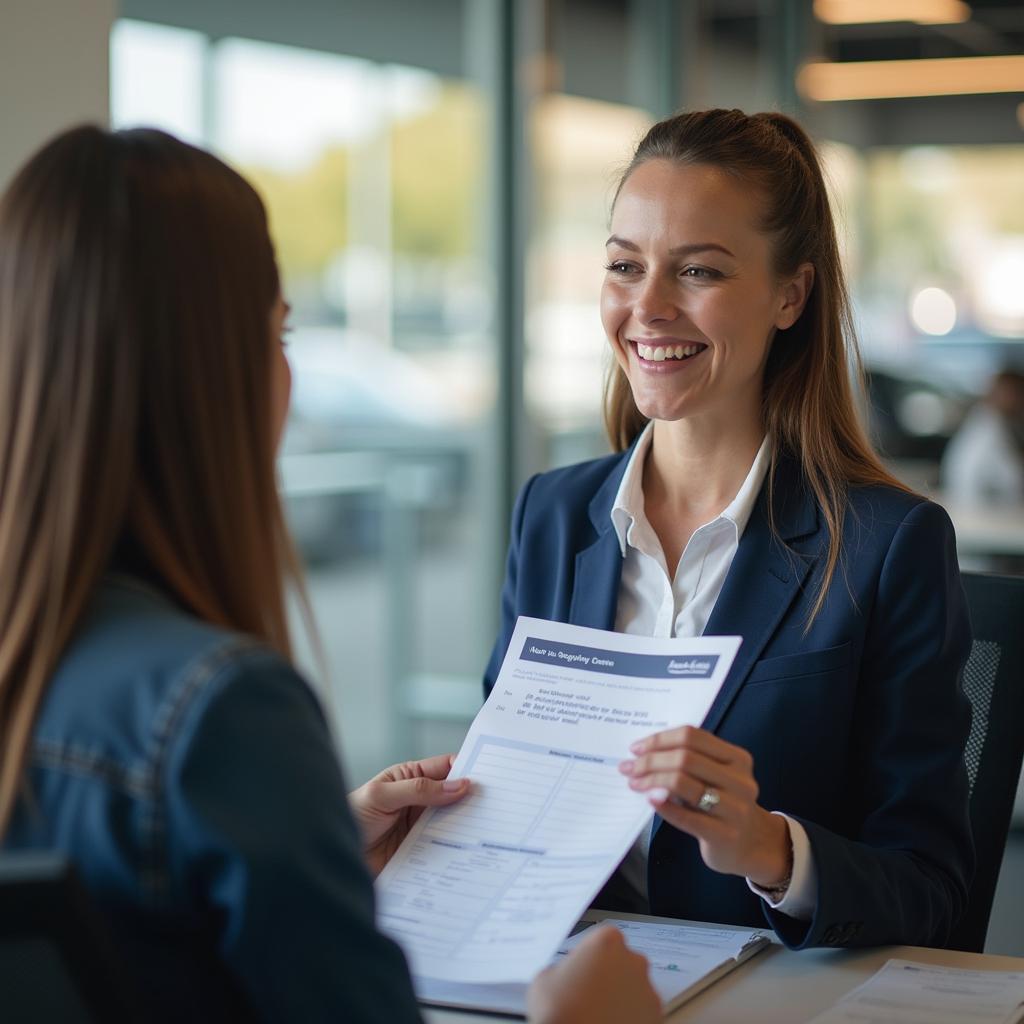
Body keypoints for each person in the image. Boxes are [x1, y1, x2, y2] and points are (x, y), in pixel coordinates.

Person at [0, 125, 660, 1024]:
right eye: (280, 332)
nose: (290, 380)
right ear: (206, 372)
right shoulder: (219, 710)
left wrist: (306, 843)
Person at [484, 108, 974, 951]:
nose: (648, 307)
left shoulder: (886, 546)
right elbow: (515, 807)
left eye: (699, 270)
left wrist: (771, 849)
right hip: (569, 984)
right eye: (624, 266)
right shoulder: (553, 516)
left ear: (792, 295)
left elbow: (933, 890)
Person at [941, 368, 1024, 507]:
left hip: (973, 506)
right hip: (982, 511)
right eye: (1019, 393)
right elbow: (1015, 479)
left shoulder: (985, 419)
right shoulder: (991, 428)